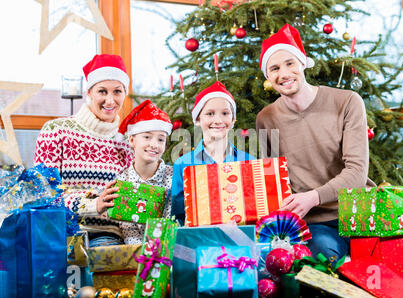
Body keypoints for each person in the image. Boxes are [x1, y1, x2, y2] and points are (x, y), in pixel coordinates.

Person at [256, 24, 376, 263]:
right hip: (316, 224)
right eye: (275, 68)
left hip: (360, 214)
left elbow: (357, 173)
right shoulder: (266, 119)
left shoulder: (348, 102)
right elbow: (272, 182)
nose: (284, 74)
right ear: (268, 77)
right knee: (322, 264)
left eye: (290, 63)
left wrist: (312, 196)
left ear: (303, 63)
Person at [34, 54, 134, 245]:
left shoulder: (126, 142)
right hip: (64, 232)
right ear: (89, 93)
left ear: (124, 94)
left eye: (117, 92)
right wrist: (91, 204)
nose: (110, 100)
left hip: (111, 236)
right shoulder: (56, 131)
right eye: (102, 91)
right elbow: (43, 194)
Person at [171, 81, 255, 224]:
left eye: (225, 113)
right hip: (198, 242)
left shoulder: (249, 161)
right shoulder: (182, 165)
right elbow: (177, 216)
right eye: (210, 114)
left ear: (233, 119)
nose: (218, 120)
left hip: (241, 242)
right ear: (198, 119)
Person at [111, 99, 173, 244]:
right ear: (132, 140)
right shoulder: (122, 180)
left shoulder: (173, 177)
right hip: (133, 252)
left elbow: (170, 221)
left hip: (165, 248)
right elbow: (127, 227)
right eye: (147, 137)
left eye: (161, 140)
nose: (154, 145)